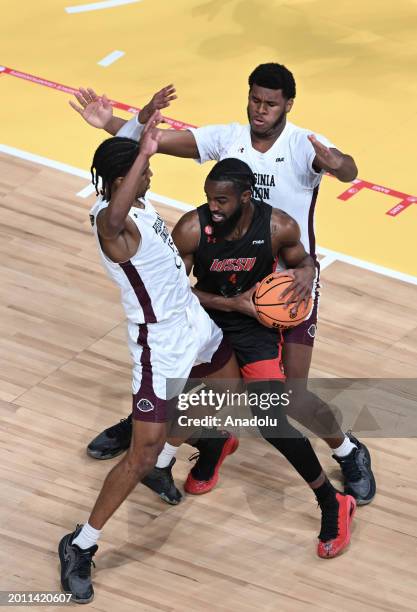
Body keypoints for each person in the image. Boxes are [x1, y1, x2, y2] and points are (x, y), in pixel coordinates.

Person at [70, 64, 375, 505]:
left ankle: (348, 451)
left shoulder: (303, 144)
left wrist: (339, 166)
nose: (260, 109)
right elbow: (164, 142)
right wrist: (113, 125)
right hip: (229, 278)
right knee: (192, 367)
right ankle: (156, 436)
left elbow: (347, 170)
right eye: (255, 99)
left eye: (271, 103)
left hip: (287, 283)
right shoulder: (228, 137)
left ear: (288, 104)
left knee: (292, 396)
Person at [58, 112, 243, 603]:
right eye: (143, 169)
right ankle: (81, 543)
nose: (152, 172)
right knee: (137, 453)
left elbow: (129, 156)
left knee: (228, 397)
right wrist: (140, 152)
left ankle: (164, 461)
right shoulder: (110, 223)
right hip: (157, 345)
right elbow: (115, 212)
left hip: (190, 319)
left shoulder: (136, 199)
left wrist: (135, 122)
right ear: (123, 181)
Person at [173, 157, 357, 560]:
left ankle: (332, 502)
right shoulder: (191, 228)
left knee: (271, 418)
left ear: (245, 196)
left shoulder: (278, 226)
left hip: (254, 326)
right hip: (206, 323)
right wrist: (230, 303)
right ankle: (215, 444)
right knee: (172, 410)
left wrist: (308, 271)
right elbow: (175, 291)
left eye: (221, 200)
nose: (214, 207)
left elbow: (302, 261)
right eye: (209, 199)